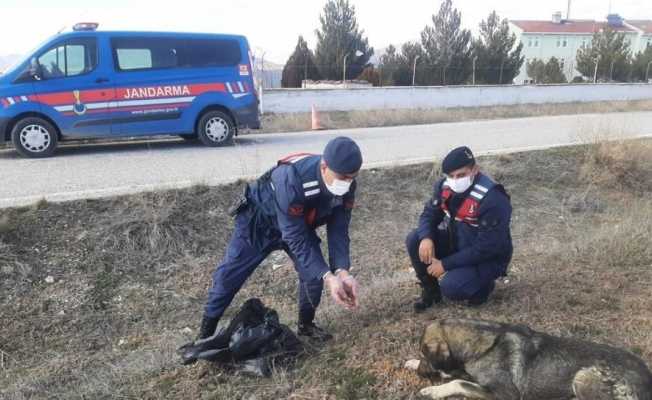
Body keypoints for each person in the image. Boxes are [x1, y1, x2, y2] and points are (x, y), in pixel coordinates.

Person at [198, 136, 363, 341]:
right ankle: (204, 335)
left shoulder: (347, 186)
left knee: (313, 276)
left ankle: (306, 325)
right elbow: (294, 235)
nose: (346, 183)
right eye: (342, 177)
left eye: (351, 177)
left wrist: (341, 271)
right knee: (228, 276)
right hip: (259, 222)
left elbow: (339, 229)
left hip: (298, 223)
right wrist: (328, 276)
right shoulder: (291, 177)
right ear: (323, 166)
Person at [405, 146, 513, 311]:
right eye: (451, 176)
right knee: (415, 239)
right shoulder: (444, 186)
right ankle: (431, 292)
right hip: (458, 243)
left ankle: (484, 287)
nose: (455, 180)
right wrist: (426, 237)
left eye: (461, 175)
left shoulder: (493, 198)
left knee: (452, 287)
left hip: (488, 257)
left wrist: (445, 264)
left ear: (474, 170)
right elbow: (428, 214)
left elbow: (488, 247)